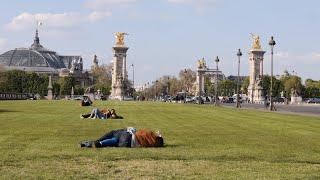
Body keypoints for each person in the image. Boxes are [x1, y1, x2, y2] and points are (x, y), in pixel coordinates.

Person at [80, 127, 164, 148]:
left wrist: (130, 129)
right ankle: (99, 143)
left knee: (113, 133)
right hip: (127, 144)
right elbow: (158, 139)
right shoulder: (150, 143)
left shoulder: (148, 135)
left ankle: (98, 141)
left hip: (128, 136)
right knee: (115, 141)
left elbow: (137, 132)